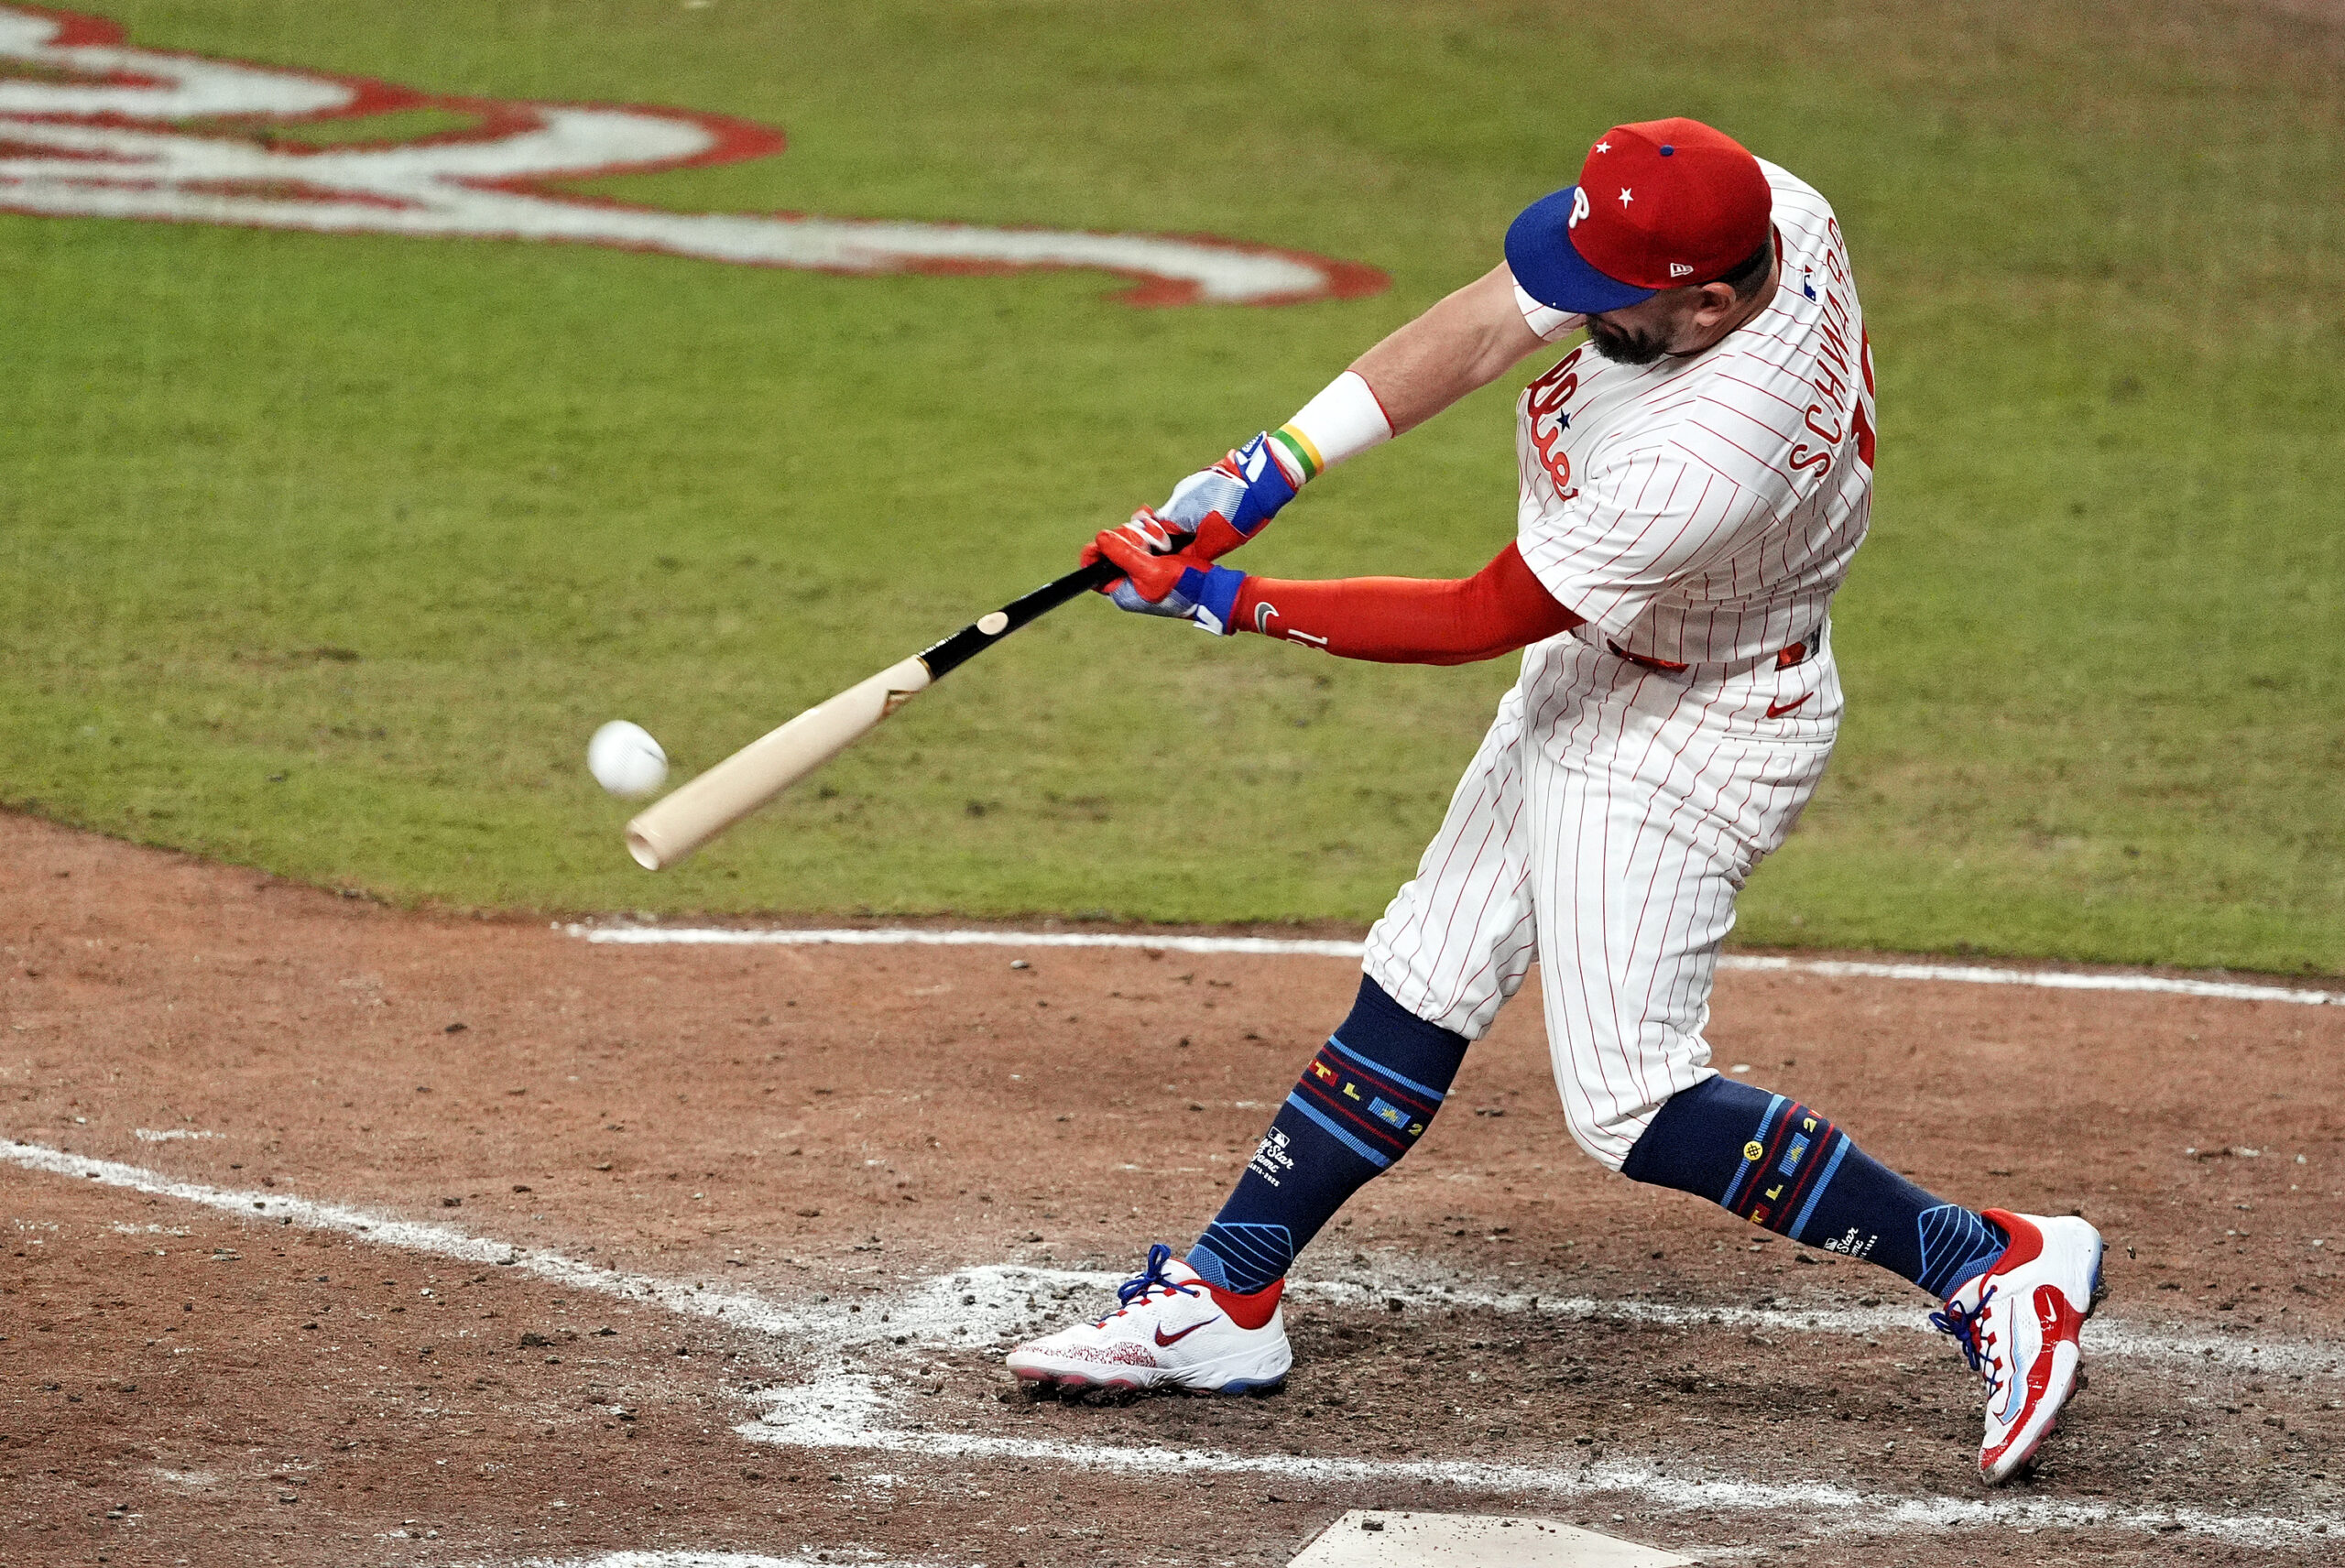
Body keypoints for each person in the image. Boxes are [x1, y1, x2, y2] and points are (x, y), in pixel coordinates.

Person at [1004, 118, 2103, 1486]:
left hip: (1690, 726)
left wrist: (1231, 599)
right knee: (1427, 969)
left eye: (1610, 297)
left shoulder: (1708, 455)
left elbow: (1479, 614)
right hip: (1606, 662)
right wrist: (1268, 469)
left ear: (1705, 303)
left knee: (1633, 1101)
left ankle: (1990, 1263)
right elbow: (1490, 319)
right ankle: (1229, 1297)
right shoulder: (1771, 213)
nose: (1573, 306)